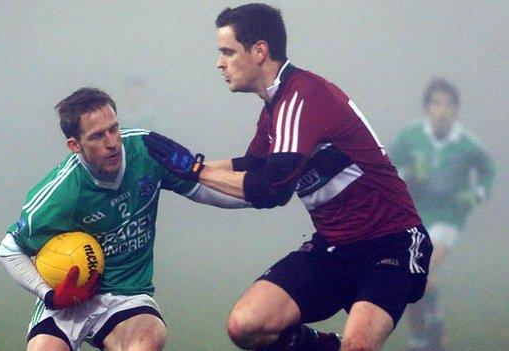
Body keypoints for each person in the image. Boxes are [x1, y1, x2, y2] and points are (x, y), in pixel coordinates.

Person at [142, 3, 433, 351]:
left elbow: (271, 189)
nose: (219, 63)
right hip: (333, 247)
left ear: (260, 51)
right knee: (245, 325)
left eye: (228, 52)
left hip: (391, 244)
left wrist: (195, 171)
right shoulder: (275, 109)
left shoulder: (302, 96)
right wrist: (179, 171)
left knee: (359, 346)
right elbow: (252, 168)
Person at [0, 87, 250, 351]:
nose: (112, 142)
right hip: (69, 302)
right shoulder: (61, 193)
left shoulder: (146, 150)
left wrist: (261, 194)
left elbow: (202, 188)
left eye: (114, 129)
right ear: (75, 145)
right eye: (97, 136)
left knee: (148, 339)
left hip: (126, 294)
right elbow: (9, 250)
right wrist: (50, 295)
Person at [389, 78, 496, 351]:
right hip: (415, 213)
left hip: (449, 216)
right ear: (426, 108)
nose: (442, 109)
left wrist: (476, 195)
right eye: (436, 102)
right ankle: (420, 337)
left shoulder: (467, 143)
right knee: (409, 274)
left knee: (421, 266)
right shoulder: (411, 136)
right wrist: (407, 177)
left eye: (448, 104)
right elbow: (388, 165)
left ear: (456, 110)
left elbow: (488, 171)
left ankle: (433, 321)